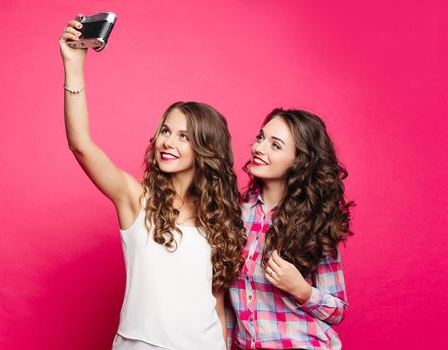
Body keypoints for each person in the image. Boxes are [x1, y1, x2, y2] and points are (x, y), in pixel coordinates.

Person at [59, 15, 246, 350]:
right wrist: (74, 65)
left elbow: (216, 305)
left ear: (205, 148)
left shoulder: (219, 219)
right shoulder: (135, 198)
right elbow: (81, 146)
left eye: (184, 136)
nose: (168, 142)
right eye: (165, 131)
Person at [228, 108, 354, 349]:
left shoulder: (314, 220)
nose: (259, 148)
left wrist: (301, 289)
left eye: (275, 145)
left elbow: (338, 311)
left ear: (299, 160)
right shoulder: (236, 213)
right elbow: (227, 303)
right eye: (260, 138)